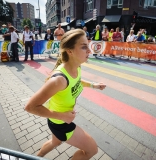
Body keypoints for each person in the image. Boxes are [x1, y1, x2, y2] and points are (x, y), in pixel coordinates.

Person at [24, 29, 106, 160]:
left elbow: (76, 81)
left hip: (57, 120)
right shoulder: (59, 79)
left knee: (54, 142)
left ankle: (35, 158)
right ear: (70, 51)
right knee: (91, 150)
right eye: (84, 47)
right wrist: (62, 116)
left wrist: (93, 85)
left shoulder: (76, 67)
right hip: (60, 123)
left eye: (88, 45)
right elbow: (30, 107)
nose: (89, 51)